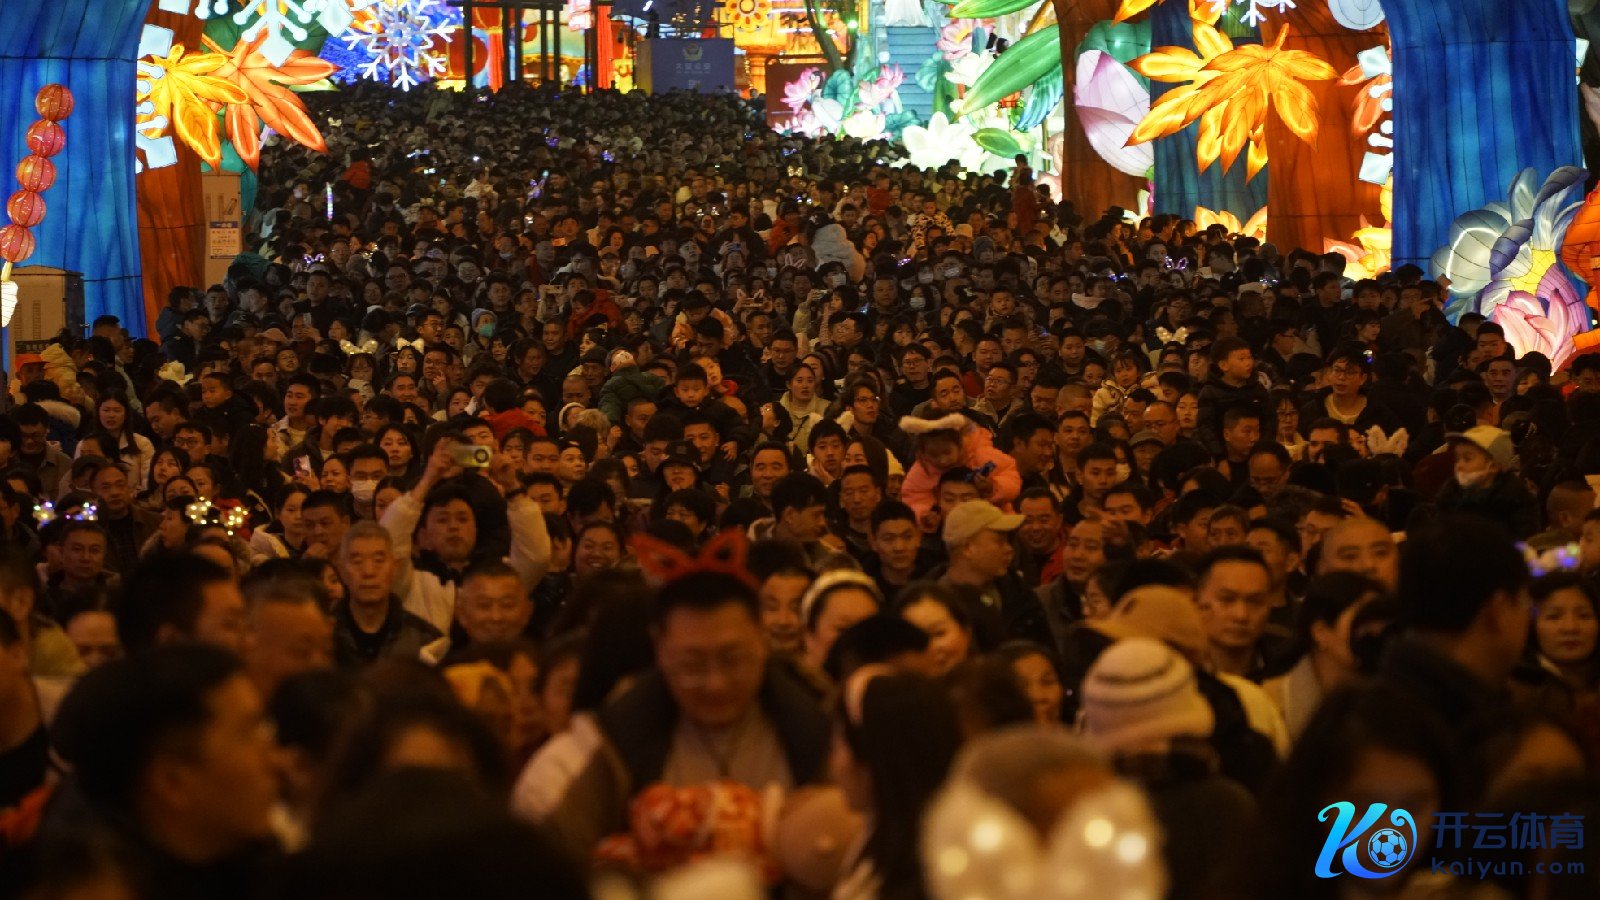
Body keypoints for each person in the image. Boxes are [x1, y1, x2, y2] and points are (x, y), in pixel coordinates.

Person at [526, 564, 830, 860]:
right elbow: (561, 855)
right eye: (692, 665)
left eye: (733, 659)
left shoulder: (816, 728)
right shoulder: (620, 739)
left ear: (762, 640)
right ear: (659, 648)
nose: (715, 683)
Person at [48, 644, 280, 897]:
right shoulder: (94, 886)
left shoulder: (255, 864)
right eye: (248, 735)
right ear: (172, 781)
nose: (277, 760)